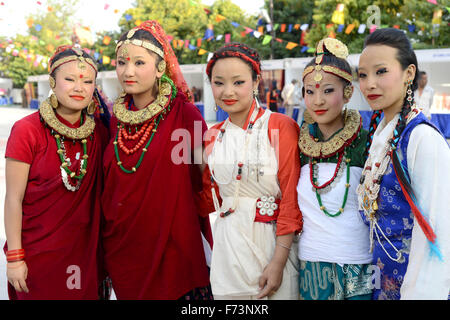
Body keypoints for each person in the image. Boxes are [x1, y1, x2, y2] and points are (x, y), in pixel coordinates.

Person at [101, 20, 213, 300]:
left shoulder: (186, 115)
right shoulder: (114, 120)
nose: (128, 71)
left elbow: (209, 179)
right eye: (121, 62)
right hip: (125, 245)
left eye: (139, 63)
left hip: (174, 246)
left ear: (161, 68)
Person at [4, 45, 110, 299]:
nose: (79, 87)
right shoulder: (27, 130)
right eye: (69, 79)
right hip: (38, 256)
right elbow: (13, 199)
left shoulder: (100, 132)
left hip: (85, 253)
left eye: (87, 81)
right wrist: (15, 257)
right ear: (52, 82)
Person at [202, 42, 302, 300]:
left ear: (256, 81)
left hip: (271, 247)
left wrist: (278, 262)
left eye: (238, 82)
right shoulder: (212, 136)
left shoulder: (280, 126)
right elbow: (205, 199)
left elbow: (291, 199)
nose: (227, 91)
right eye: (218, 82)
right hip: (228, 252)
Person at [357, 28, 450, 300]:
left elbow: (437, 233)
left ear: (409, 73)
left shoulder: (422, 138)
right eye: (362, 75)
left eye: (381, 71)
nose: (369, 83)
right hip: (380, 282)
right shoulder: (381, 134)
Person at [297, 38, 373, 300]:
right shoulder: (295, 144)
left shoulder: (368, 143)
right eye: (310, 91)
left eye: (328, 90)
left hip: (359, 262)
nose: (317, 100)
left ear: (348, 92)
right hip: (311, 264)